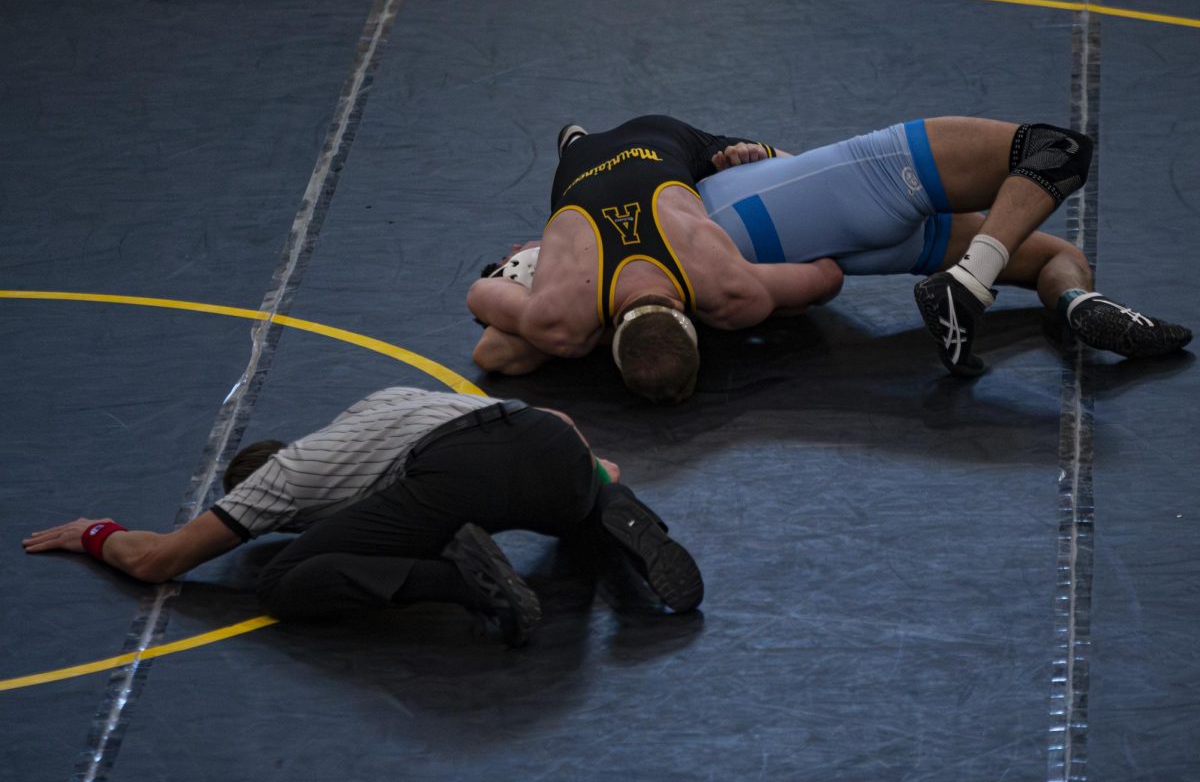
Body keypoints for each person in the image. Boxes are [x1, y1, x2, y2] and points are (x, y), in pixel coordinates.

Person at [22, 387, 704, 647]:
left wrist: (94, 533)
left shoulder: (282, 482)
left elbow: (157, 560)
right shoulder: (380, 402)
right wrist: (600, 486)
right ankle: (628, 524)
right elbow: (558, 424)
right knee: (580, 496)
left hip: (458, 474)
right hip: (545, 436)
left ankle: (465, 584)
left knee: (283, 584)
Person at [697, 117, 1192, 376]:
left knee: (1062, 257)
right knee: (1059, 150)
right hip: (871, 186)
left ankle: (1078, 301)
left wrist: (756, 154)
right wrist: (758, 153)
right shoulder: (680, 201)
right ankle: (971, 282)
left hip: (832, 240)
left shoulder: (677, 231)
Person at [467, 115, 845, 403]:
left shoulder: (730, 292)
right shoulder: (560, 321)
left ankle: (580, 144)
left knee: (774, 164)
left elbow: (827, 278)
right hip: (615, 154)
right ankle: (578, 144)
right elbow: (483, 295)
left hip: (653, 144)